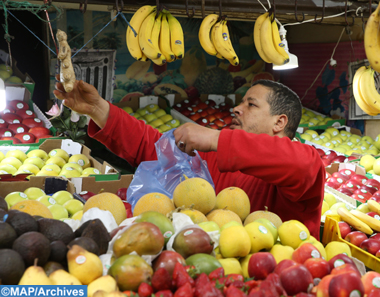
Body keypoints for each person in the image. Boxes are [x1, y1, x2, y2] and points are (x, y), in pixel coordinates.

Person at [54, 77, 326, 238]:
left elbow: (305, 164)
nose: (236, 109)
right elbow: (156, 148)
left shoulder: (296, 175)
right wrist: (99, 109)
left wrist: (215, 138)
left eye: (250, 104)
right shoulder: (223, 159)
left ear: (279, 123)